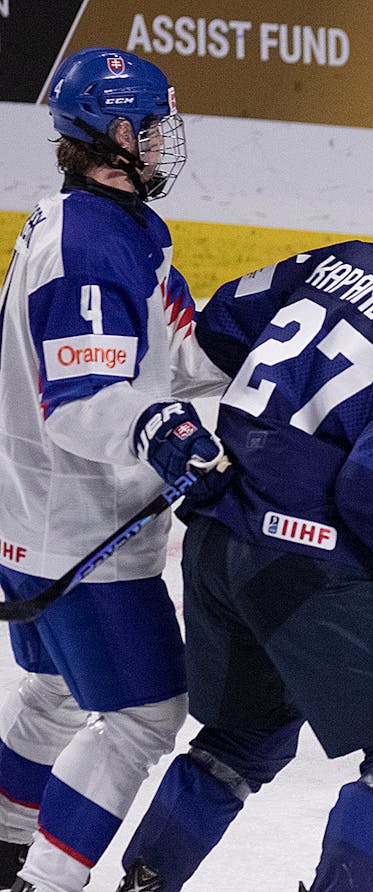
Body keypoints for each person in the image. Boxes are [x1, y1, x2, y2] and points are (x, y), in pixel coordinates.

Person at [114, 150, 373, 891]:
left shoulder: (336, 261)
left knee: (247, 736)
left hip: (213, 537)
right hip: (297, 564)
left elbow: (220, 329)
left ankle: (142, 885)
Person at [0, 47, 228, 892]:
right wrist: (168, 436)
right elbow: (87, 401)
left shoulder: (109, 223)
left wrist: (267, 340)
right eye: (154, 127)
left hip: (34, 519)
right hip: (81, 529)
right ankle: (46, 883)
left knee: (57, 693)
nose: (166, 143)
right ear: (115, 132)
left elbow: (164, 352)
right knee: (143, 717)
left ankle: (4, 849)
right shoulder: (92, 244)